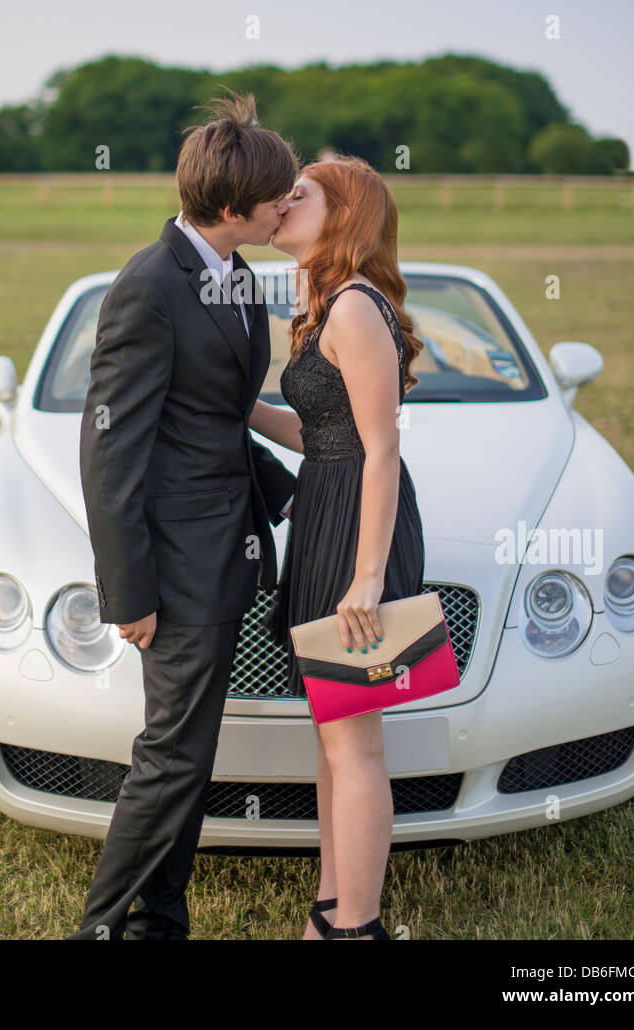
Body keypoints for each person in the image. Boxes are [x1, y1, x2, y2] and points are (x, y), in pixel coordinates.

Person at [66, 89, 300, 940]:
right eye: (280, 192)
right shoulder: (149, 286)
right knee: (171, 755)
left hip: (226, 551)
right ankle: (102, 928)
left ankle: (159, 919)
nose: (291, 199)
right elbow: (110, 453)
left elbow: (210, 419)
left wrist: (293, 486)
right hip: (173, 566)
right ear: (234, 206)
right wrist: (126, 593)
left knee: (189, 754)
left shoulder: (237, 275)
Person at [251, 156, 426, 941]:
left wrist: (366, 580)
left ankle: (355, 928)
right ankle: (331, 904)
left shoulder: (355, 307)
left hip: (359, 524)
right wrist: (237, 406)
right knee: (333, 729)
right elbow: (321, 434)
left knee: (354, 742)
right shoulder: (327, 306)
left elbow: (380, 449)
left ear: (344, 213)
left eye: (301, 195)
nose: (281, 204)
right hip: (326, 503)